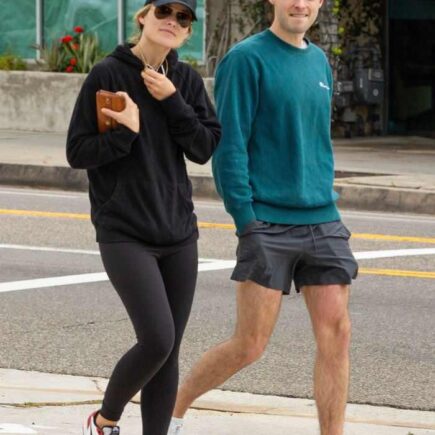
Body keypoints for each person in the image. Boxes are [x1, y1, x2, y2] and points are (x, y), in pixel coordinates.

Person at [169, 0, 358, 434]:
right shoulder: (246, 59)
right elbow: (229, 146)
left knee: (338, 334)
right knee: (250, 345)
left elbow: (315, 139)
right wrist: (246, 221)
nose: (300, 3)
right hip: (267, 223)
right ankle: (171, 409)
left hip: (323, 218)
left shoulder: (319, 61)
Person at [66, 0, 221, 433]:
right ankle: (104, 420)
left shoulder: (185, 81)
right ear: (143, 17)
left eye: (182, 18)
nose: (172, 22)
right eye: (163, 12)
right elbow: (77, 152)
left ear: (188, 33)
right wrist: (125, 135)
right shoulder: (108, 74)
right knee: (157, 338)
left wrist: (173, 102)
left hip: (178, 233)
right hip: (124, 232)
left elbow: (204, 147)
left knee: (169, 353)